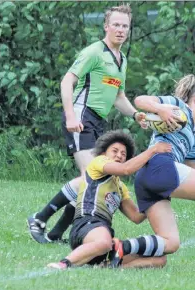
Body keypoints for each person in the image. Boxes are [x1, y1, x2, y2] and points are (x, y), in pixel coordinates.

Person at [105, 74, 195, 270]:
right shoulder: (178, 107)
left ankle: (121, 247)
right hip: (160, 165)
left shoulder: (194, 134)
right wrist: (160, 109)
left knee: (171, 242)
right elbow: (140, 100)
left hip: (147, 177)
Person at [27, 4, 147, 244]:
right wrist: (71, 116)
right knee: (90, 176)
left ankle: (55, 233)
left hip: (97, 122)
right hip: (81, 116)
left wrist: (136, 115)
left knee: (91, 180)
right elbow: (66, 82)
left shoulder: (121, 60)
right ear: (106, 26)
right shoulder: (94, 52)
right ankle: (39, 219)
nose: (121, 29)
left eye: (125, 26)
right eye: (116, 24)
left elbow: (118, 97)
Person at [47, 130, 172, 269]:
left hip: (104, 236)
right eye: (115, 151)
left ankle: (108, 266)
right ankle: (64, 263)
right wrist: (153, 150)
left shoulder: (120, 186)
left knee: (159, 259)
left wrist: (158, 195)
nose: (119, 155)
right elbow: (126, 169)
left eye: (123, 154)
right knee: (104, 242)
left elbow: (136, 216)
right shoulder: (98, 162)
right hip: (86, 225)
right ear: (103, 153)